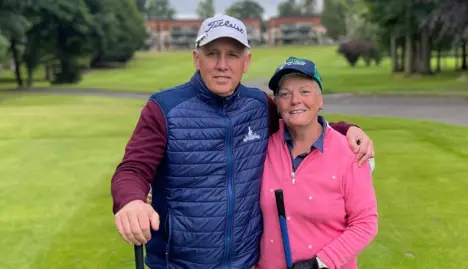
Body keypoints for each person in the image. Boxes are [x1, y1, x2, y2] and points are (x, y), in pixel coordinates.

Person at [110, 14, 375, 269]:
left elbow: (298, 117)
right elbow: (133, 168)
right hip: (177, 263)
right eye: (212, 53)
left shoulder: (258, 105)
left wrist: (346, 128)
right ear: (196, 58)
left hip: (244, 263)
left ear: (246, 62)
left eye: (233, 55)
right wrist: (130, 201)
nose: (222, 64)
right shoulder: (164, 108)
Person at [256, 57, 378, 269]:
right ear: (276, 104)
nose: (295, 100)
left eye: (305, 91)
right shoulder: (263, 149)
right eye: (285, 94)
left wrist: (318, 264)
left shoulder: (350, 153)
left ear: (320, 100)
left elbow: (365, 224)